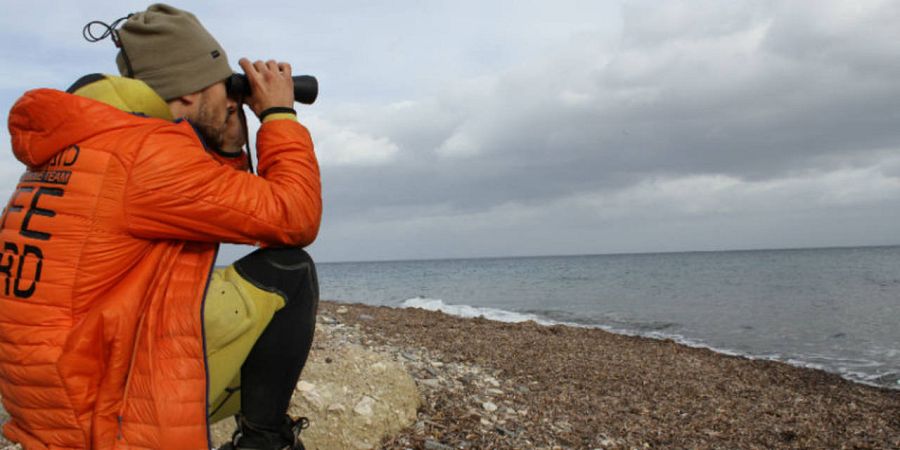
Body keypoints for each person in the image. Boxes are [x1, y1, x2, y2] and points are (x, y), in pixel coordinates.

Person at [0, 4, 321, 449]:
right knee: (291, 268)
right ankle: (266, 442)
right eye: (220, 88)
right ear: (187, 97)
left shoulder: (87, 146)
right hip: (102, 407)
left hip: (54, 391)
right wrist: (279, 116)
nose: (229, 98)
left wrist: (228, 144)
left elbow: (209, 203)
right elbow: (293, 217)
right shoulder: (145, 157)